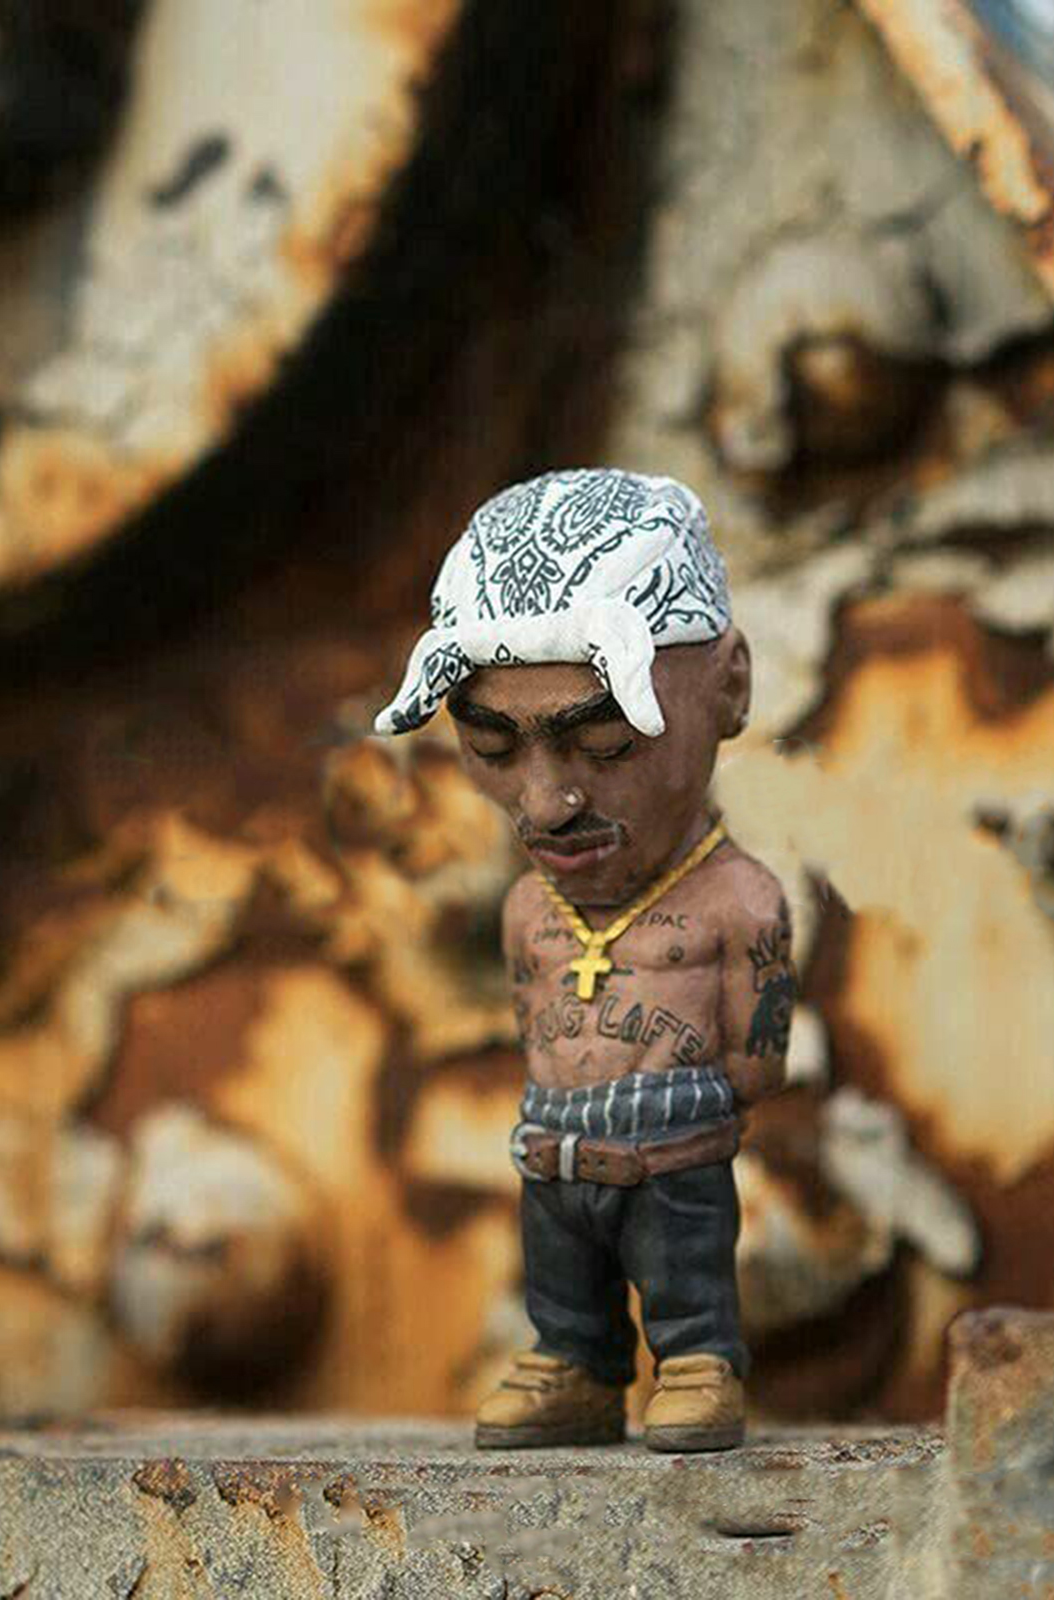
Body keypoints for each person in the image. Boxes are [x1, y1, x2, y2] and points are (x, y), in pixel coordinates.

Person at [372, 467, 795, 1451]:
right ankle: (573, 1361)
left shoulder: (739, 902)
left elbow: (757, 1057)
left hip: (675, 1155)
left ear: (729, 687)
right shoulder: (529, 907)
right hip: (554, 1152)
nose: (545, 803)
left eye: (604, 744)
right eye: (490, 748)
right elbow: (532, 1019)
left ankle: (694, 1359)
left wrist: (697, 1110)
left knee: (684, 1268)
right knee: (562, 1280)